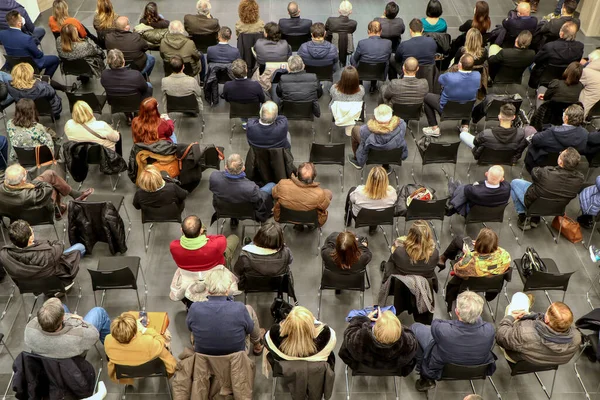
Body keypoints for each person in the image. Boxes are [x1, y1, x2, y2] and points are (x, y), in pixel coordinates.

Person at [411, 291, 496, 391]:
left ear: (456, 311)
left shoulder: (443, 329)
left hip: (441, 369)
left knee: (415, 328)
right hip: (476, 370)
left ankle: (426, 378)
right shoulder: (490, 330)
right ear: (480, 313)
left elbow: (436, 323)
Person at [187, 268, 264, 355]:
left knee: (195, 323)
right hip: (237, 356)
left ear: (207, 289)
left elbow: (190, 327)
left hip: (204, 356)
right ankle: (257, 343)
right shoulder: (240, 308)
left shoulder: (195, 308)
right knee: (249, 309)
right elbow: (249, 329)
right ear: (227, 289)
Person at [512, 148, 585, 229]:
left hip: (533, 203)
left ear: (560, 162)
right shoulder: (580, 179)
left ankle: (523, 218)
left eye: (560, 154)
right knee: (543, 188)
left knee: (514, 183)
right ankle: (535, 218)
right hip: (556, 209)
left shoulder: (546, 172)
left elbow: (534, 172)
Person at [496, 298, 581, 365]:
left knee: (518, 298)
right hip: (542, 363)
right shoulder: (577, 337)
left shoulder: (525, 333)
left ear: (547, 319)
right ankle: (527, 302)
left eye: (546, 312)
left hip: (517, 357)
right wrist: (530, 316)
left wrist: (510, 317)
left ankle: (525, 301)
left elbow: (500, 336)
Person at [0, 219, 85, 287]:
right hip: (56, 282)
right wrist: (54, 243)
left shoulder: (4, 255)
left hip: (31, 286)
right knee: (80, 247)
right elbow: (60, 245)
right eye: (31, 230)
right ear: (30, 238)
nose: (33, 230)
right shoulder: (48, 253)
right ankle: (62, 288)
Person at [24, 297, 111, 359]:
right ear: (63, 318)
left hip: (49, 360)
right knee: (99, 312)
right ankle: (110, 351)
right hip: (74, 357)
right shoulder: (80, 336)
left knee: (62, 306)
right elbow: (94, 334)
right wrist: (78, 320)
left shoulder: (29, 330)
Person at [0, 162, 93, 219]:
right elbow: (47, 188)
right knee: (54, 186)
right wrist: (33, 184)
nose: (27, 172)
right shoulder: (33, 195)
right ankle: (58, 208)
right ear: (23, 180)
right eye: (25, 173)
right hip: (38, 213)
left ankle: (71, 197)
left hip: (15, 213)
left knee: (50, 174)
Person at [104, 312, 177, 382]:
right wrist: (143, 329)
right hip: (150, 369)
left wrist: (131, 327)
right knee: (166, 337)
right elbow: (161, 341)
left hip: (126, 373)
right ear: (134, 336)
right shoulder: (149, 342)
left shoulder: (108, 340)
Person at [340, 309, 418, 374]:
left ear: (374, 326)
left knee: (354, 313)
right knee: (392, 308)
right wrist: (391, 326)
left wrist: (364, 319)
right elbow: (410, 362)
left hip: (362, 367)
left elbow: (348, 334)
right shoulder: (409, 345)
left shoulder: (356, 341)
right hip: (393, 369)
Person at [422, 54, 481, 138]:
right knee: (469, 98)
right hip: (466, 110)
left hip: (446, 109)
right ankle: (465, 127)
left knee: (426, 97)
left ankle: (434, 128)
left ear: (459, 64)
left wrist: (451, 68)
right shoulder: (477, 75)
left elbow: (440, 79)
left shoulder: (449, 76)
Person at [210, 153, 274, 223]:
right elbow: (259, 199)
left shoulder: (214, 178)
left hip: (224, 209)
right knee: (272, 185)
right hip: (245, 212)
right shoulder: (251, 188)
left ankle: (233, 217)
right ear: (243, 168)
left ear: (226, 167)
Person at [525, 104, 588, 173]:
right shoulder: (585, 133)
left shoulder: (551, 132)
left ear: (566, 117)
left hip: (544, 162)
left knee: (528, 130)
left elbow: (535, 140)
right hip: (567, 163)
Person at [233, 222, 294, 291]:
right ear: (279, 240)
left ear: (258, 236)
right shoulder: (286, 252)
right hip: (277, 285)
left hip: (250, 285)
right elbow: (290, 261)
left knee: (250, 244)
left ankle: (250, 243)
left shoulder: (245, 257)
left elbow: (237, 271)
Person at [264, 306, 336, 363]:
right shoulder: (329, 339)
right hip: (317, 377)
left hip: (286, 377)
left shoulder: (272, 340)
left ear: (287, 325)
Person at [272, 162, 332, 228]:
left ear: (297, 173)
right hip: (312, 220)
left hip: (284, 217)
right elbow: (324, 206)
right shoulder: (319, 194)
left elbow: (273, 194)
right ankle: (310, 225)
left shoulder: (282, 184)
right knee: (328, 193)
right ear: (314, 177)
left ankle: (298, 224)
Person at [170, 215, 239, 272]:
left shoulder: (173, 246)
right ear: (201, 231)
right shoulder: (216, 245)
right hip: (216, 272)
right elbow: (221, 238)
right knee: (234, 238)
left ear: (181, 230)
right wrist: (203, 236)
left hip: (191, 275)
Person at [0, 11, 60, 77]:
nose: (22, 18)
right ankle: (45, 79)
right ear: (19, 23)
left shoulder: (2, 34)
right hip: (30, 65)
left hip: (14, 63)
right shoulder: (27, 39)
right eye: (21, 17)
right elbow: (39, 55)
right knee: (55, 59)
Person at [464, 104, 528, 165]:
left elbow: (475, 142)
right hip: (507, 160)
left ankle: (463, 128)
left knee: (463, 134)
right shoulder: (521, 134)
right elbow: (519, 150)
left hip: (485, 159)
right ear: (513, 117)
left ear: (499, 117)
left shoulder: (486, 134)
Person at [348, 104, 408, 169]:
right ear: (391, 116)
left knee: (355, 130)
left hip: (372, 153)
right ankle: (386, 167)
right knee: (389, 145)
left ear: (375, 117)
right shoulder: (402, 125)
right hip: (391, 153)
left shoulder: (365, 130)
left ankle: (356, 159)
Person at [529, 21, 584, 88]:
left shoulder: (549, 46)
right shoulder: (580, 47)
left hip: (545, 77)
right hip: (566, 77)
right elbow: (576, 62)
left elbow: (537, 60)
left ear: (561, 34)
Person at [345, 166, 398, 231]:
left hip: (359, 218)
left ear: (369, 179)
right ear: (385, 180)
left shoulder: (358, 192)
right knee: (376, 210)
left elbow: (352, 199)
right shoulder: (392, 192)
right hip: (381, 218)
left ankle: (347, 220)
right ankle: (372, 229)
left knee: (351, 190)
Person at [350, 20, 392, 93]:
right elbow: (388, 57)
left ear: (368, 31)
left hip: (363, 71)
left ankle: (359, 82)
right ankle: (373, 86)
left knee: (352, 58)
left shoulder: (362, 43)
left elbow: (355, 58)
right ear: (381, 31)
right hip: (380, 72)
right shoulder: (388, 43)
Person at [580, 49, 600, 118]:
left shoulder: (586, 72)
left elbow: (575, 85)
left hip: (585, 108)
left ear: (591, 60)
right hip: (596, 108)